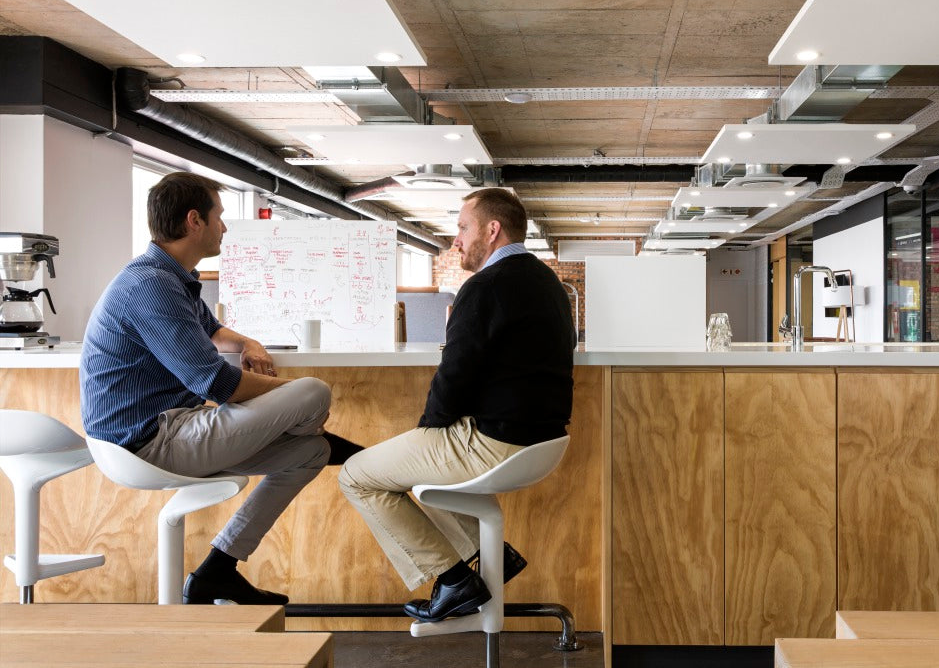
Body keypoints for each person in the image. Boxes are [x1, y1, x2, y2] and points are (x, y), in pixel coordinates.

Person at [81, 171, 359, 605]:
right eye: (220, 217)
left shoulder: (171, 277)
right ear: (195, 221)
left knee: (312, 451)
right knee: (313, 393)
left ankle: (217, 570)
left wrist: (246, 342)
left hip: (168, 430)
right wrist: (286, 397)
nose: (224, 227)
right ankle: (359, 455)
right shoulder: (150, 285)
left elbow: (212, 330)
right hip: (149, 442)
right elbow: (215, 382)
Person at [339, 188, 575, 622]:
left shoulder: (483, 287)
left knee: (358, 475)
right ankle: (489, 557)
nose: (456, 241)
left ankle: (453, 580)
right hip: (543, 440)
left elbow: (454, 377)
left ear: (492, 229)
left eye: (463, 228)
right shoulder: (550, 283)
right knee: (421, 463)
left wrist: (428, 429)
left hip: (497, 443)